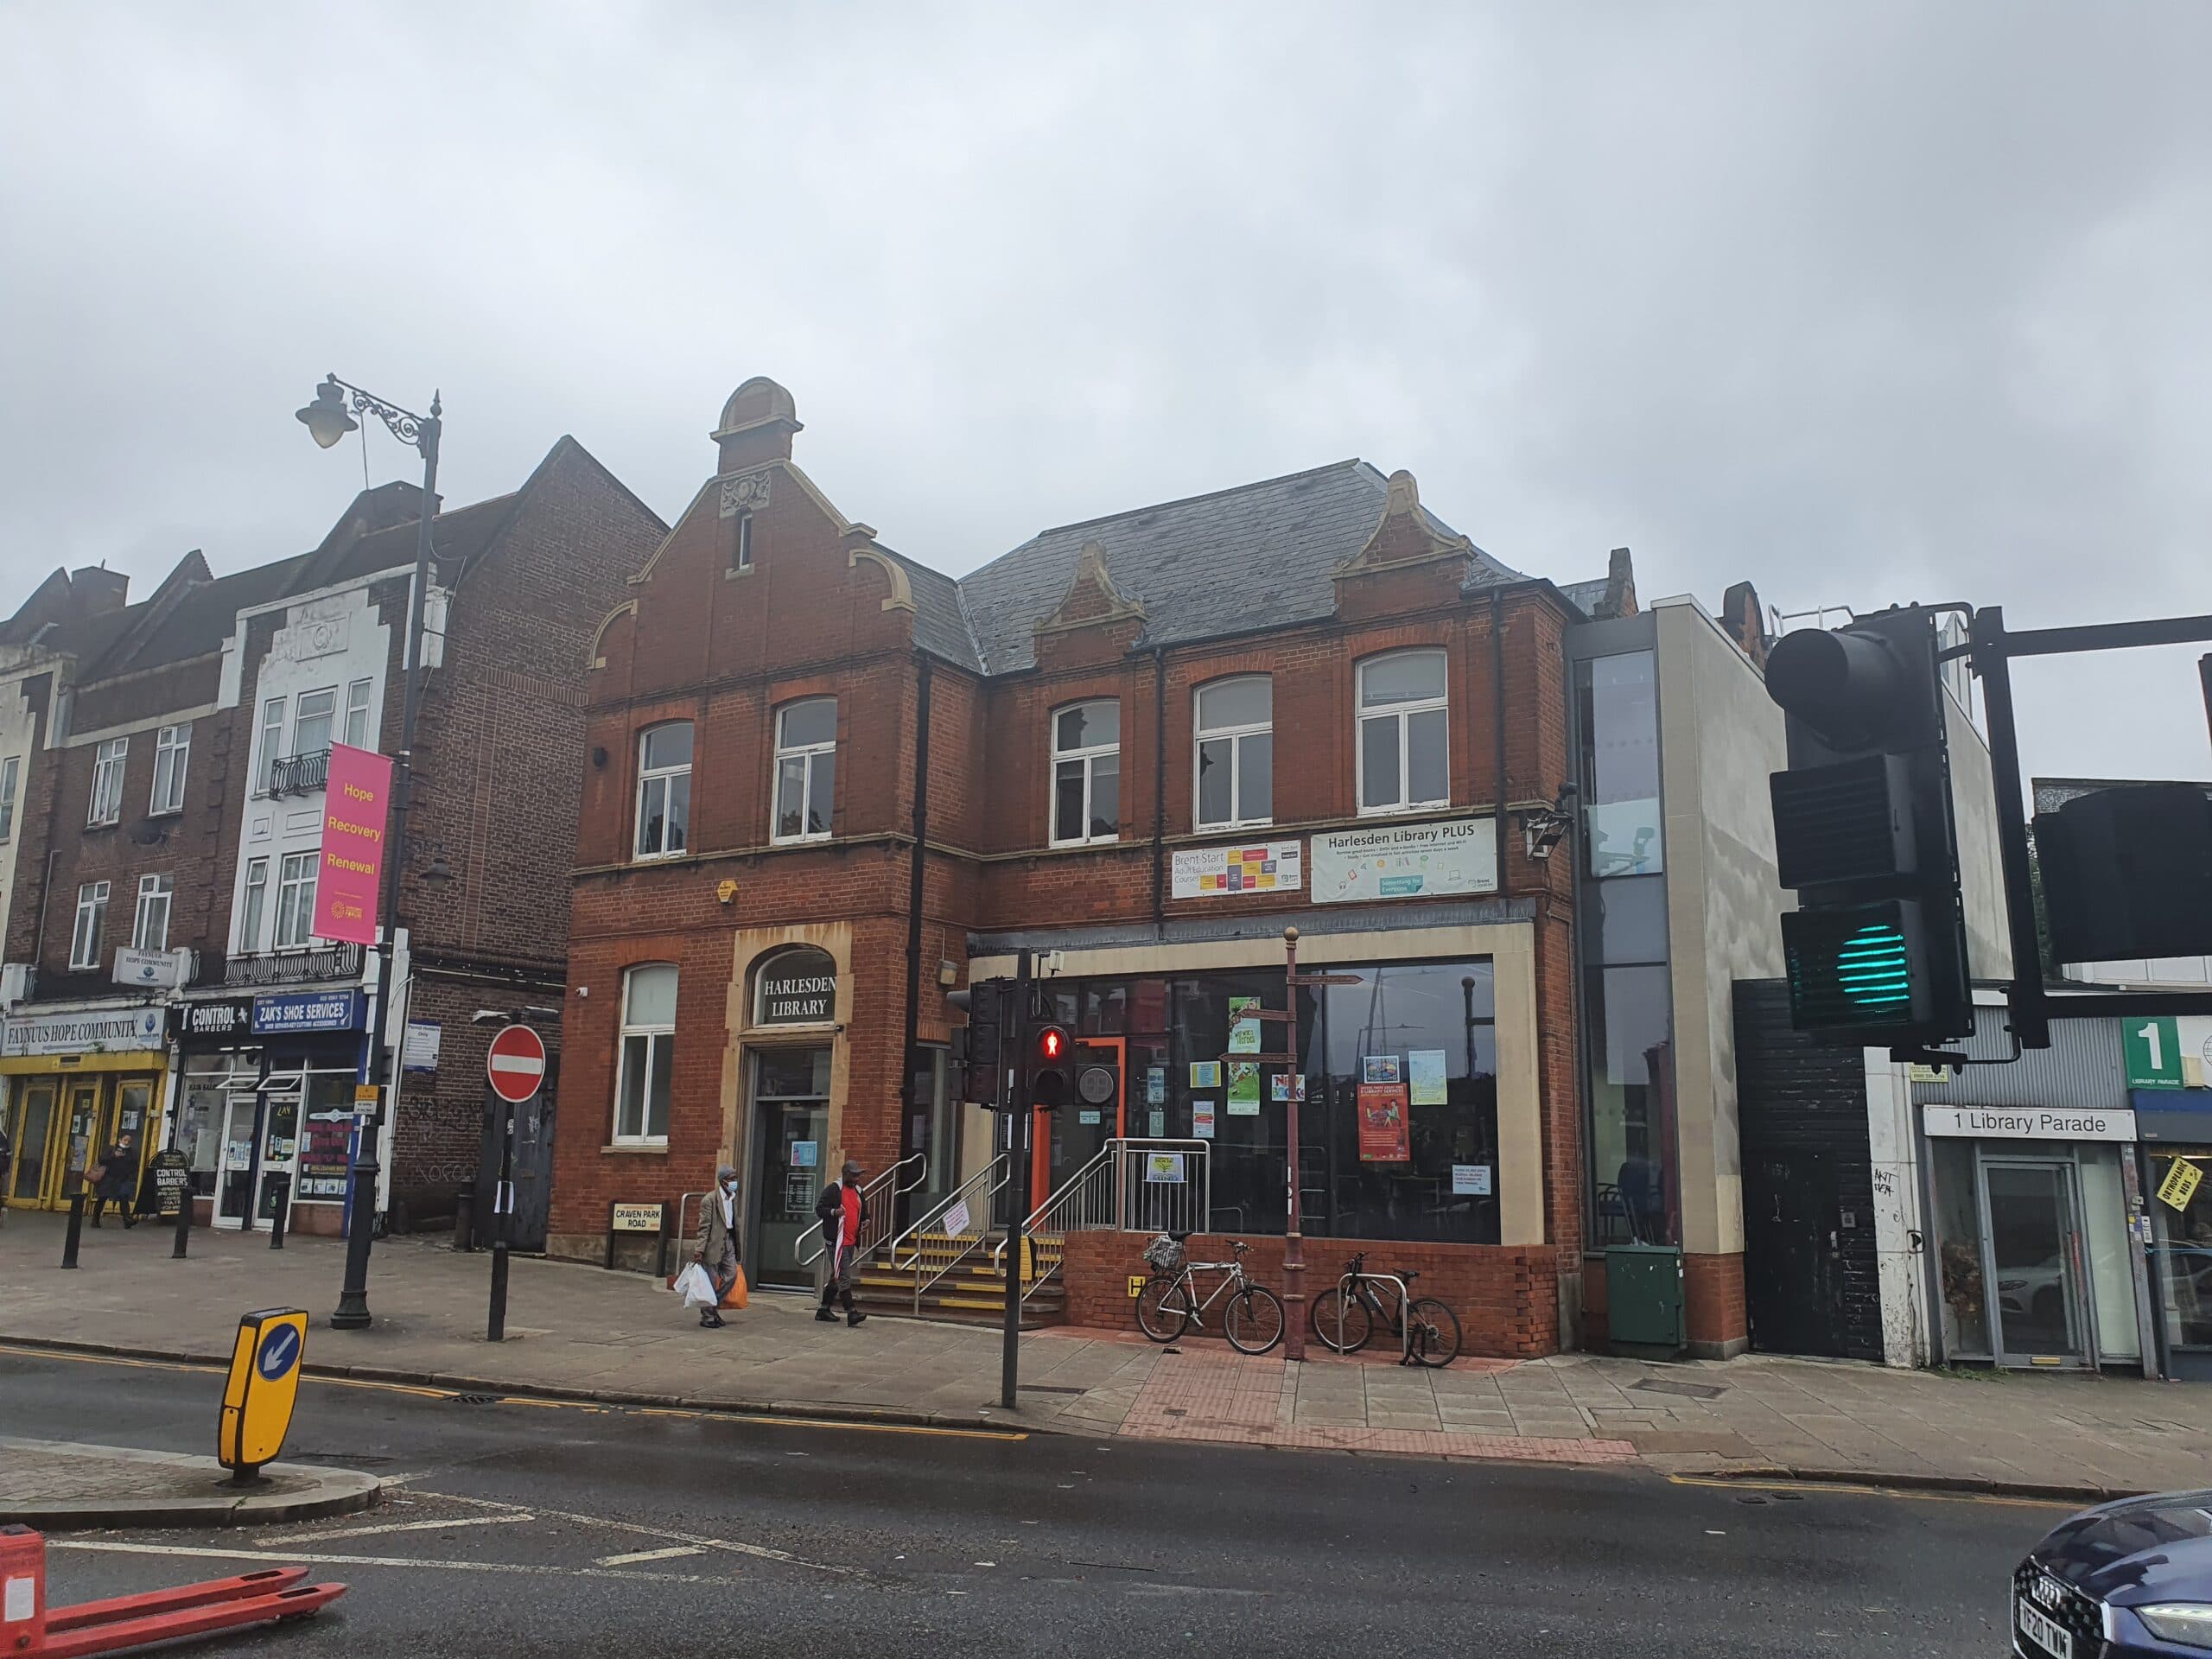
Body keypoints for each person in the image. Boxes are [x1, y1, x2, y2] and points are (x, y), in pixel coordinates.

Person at [813, 1157, 868, 1327]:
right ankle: (851, 1311)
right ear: (845, 1174)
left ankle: (823, 1309)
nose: (857, 1179)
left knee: (836, 1275)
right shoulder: (834, 1190)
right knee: (844, 1274)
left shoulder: (859, 1191)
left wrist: (866, 1221)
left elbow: (863, 1211)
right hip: (836, 1241)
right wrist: (834, 1212)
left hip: (851, 1240)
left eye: (858, 1175)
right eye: (854, 1175)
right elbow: (819, 1209)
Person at [694, 1165, 741, 1329]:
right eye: (731, 1179)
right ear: (722, 1181)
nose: (735, 1182)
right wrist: (699, 1250)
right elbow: (704, 1226)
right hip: (713, 1243)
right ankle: (707, 1317)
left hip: (729, 1240)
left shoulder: (733, 1198)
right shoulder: (710, 1200)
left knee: (731, 1276)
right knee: (711, 1281)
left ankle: (712, 1308)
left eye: (736, 1178)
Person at [91, 1133, 138, 1229]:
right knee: (103, 1198)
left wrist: (130, 1176)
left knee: (124, 1197)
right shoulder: (112, 1149)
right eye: (125, 1140)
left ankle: (127, 1219)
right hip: (109, 1178)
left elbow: (134, 1165)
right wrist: (114, 1155)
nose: (127, 1142)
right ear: (120, 1140)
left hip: (122, 1179)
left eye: (129, 1141)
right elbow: (101, 1160)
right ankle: (95, 1219)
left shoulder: (131, 1152)